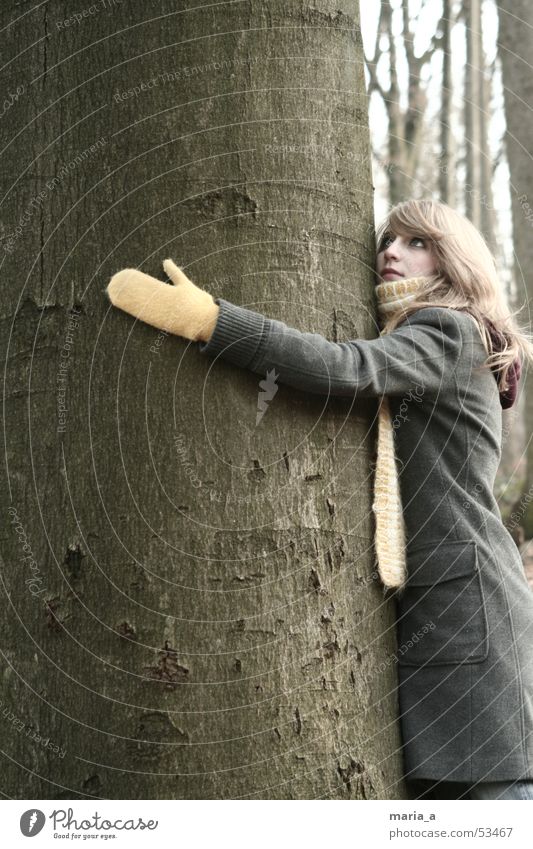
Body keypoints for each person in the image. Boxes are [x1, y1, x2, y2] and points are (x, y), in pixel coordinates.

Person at [106, 198, 533, 801]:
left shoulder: (447, 329)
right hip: (456, 610)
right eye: (389, 238)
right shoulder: (431, 338)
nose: (391, 250)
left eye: (417, 242)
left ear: (454, 260)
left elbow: (347, 366)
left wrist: (213, 321)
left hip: (468, 609)